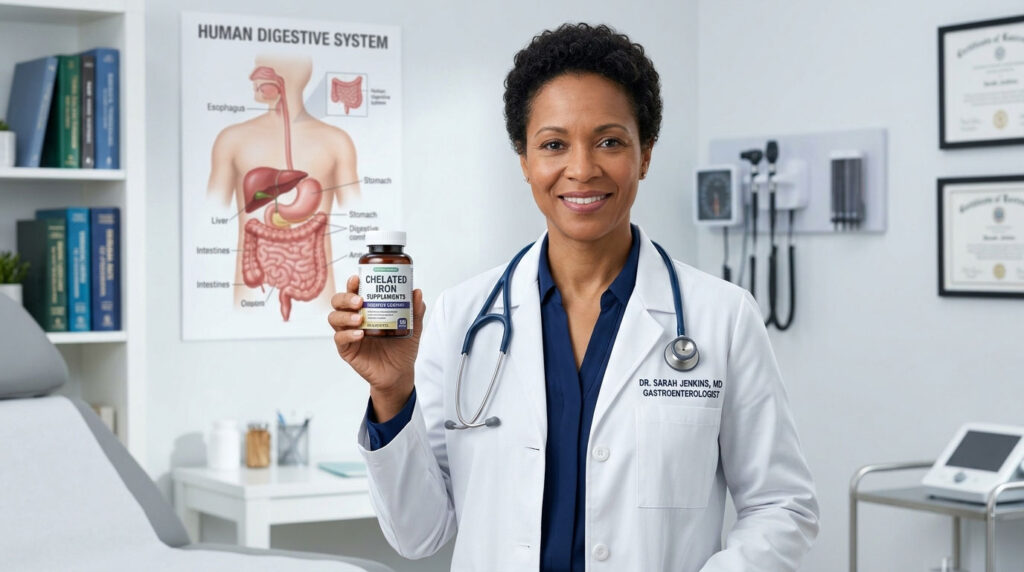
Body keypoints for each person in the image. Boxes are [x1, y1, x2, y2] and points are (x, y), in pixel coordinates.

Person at [329, 23, 819, 571]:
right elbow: (419, 534)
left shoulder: (722, 319)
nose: (581, 169)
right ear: (524, 160)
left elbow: (782, 505)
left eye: (609, 141)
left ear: (646, 154)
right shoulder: (462, 317)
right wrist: (393, 392)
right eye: (554, 144)